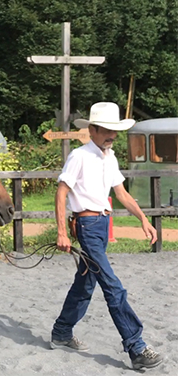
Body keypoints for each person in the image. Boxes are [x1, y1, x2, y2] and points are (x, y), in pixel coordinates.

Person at [50, 102, 164, 370]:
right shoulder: (79, 156)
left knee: (85, 284)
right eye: (106, 131)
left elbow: (121, 194)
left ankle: (61, 332)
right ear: (92, 130)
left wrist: (144, 220)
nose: (112, 136)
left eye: (115, 131)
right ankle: (136, 347)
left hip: (102, 226)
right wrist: (61, 232)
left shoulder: (109, 157)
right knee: (113, 286)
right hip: (88, 227)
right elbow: (61, 192)